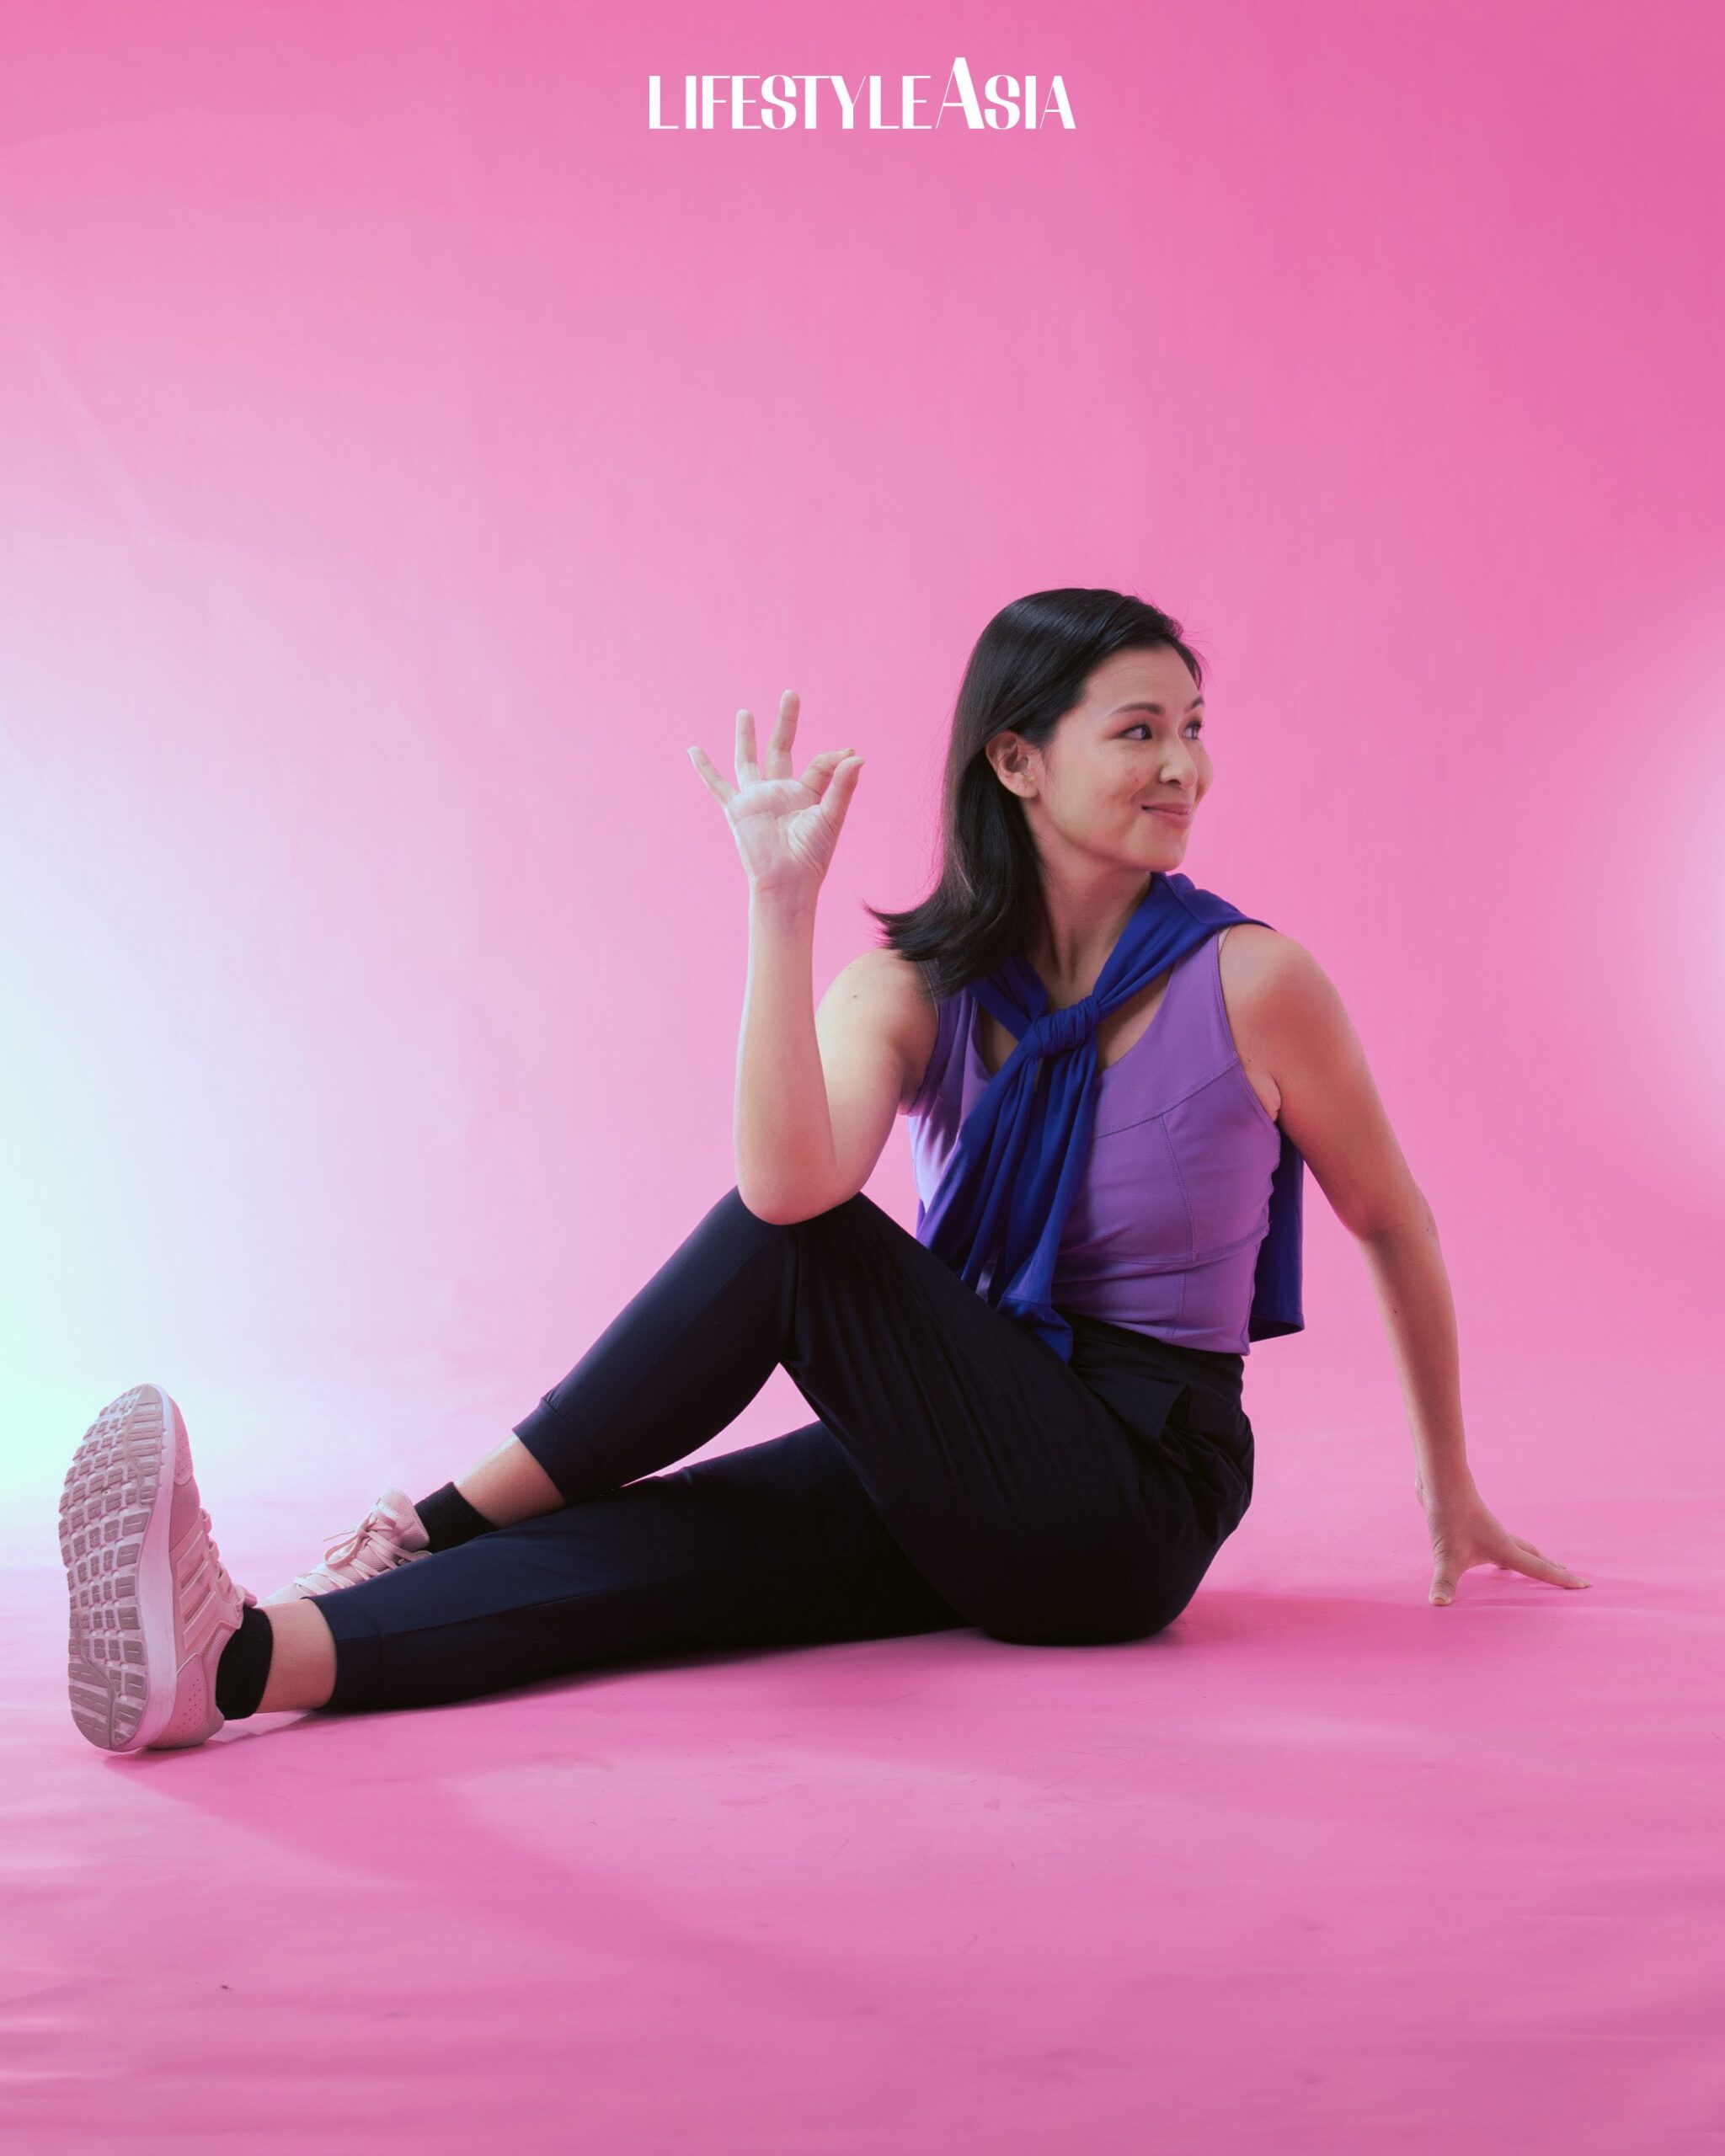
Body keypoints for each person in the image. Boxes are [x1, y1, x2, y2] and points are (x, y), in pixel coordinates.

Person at [58, 588, 1589, 1755]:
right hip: (970, 1427)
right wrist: (778, 908)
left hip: (1130, 1494)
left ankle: (436, 1520)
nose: (1184, 764)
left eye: (1192, 727)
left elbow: (1392, 1221)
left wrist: (1449, 1487)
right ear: (1017, 760)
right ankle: (240, 1662)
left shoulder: (1255, 981)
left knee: (798, 1244)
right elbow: (791, 1175)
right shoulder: (914, 990)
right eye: (1140, 731)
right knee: (655, 1555)